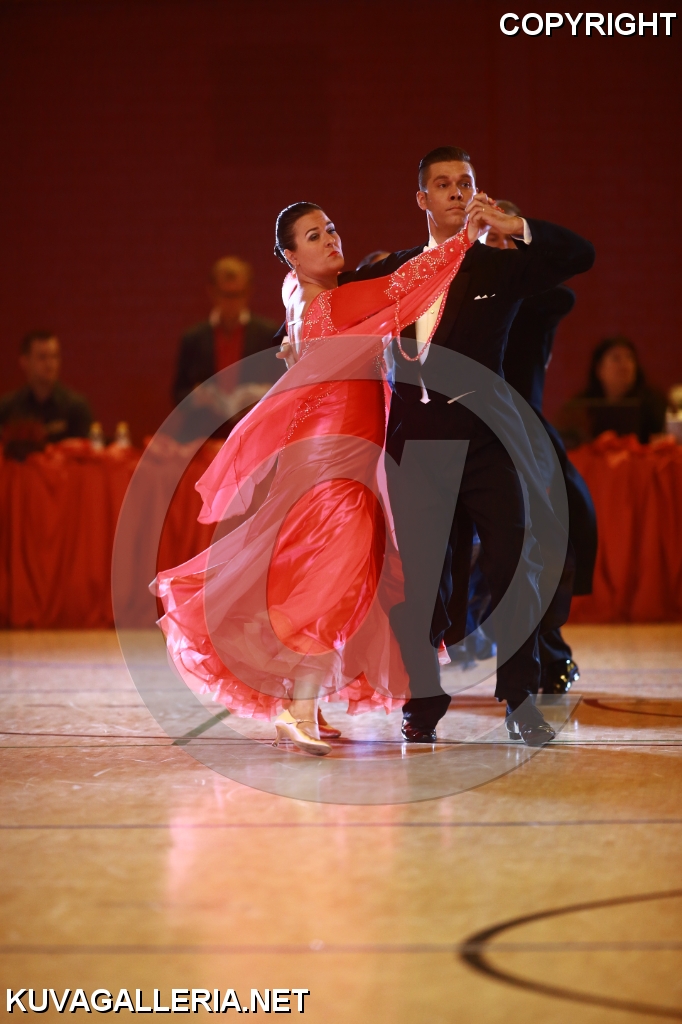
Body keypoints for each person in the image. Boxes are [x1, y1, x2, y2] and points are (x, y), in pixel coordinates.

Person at [153, 202, 475, 756]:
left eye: (330, 229)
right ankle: (297, 710)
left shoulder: (295, 294)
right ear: (290, 255)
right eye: (312, 236)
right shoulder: (335, 302)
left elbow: (306, 330)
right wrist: (464, 237)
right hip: (335, 462)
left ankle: (306, 706)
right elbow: (404, 285)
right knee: (333, 581)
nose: (330, 239)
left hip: (320, 454)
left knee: (319, 574)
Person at [342, 146, 595, 746]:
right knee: (423, 584)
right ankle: (423, 700)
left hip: (486, 443)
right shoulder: (397, 270)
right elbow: (333, 302)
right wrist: (292, 323)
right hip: (417, 447)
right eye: (443, 184)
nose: (456, 191)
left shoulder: (496, 268)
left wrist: (515, 225)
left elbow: (579, 256)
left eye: (465, 182)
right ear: (422, 199)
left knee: (513, 565)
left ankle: (520, 699)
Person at [482, 199, 598, 694]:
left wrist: (519, 237)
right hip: (464, 433)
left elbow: (566, 275)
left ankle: (549, 656)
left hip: (523, 437)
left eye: (502, 237)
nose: (494, 247)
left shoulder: (540, 300)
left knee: (541, 545)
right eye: (485, 237)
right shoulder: (460, 294)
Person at [172, 256, 281, 441]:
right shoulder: (194, 338)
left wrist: (263, 395)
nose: (232, 302)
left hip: (253, 434)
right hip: (204, 436)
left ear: (249, 292)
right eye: (226, 295)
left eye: (238, 294)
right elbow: (178, 393)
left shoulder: (267, 334)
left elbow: (284, 388)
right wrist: (196, 397)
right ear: (212, 292)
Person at [557, 335, 667, 447]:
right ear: (599, 369)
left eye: (629, 358)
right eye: (616, 358)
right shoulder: (580, 407)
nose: (625, 365)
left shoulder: (655, 403)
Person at [0, 330, 93, 460]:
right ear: (24, 362)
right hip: (21, 473)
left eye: (54, 356)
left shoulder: (76, 407)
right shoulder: (7, 408)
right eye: (42, 357)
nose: (50, 364)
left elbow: (87, 457)